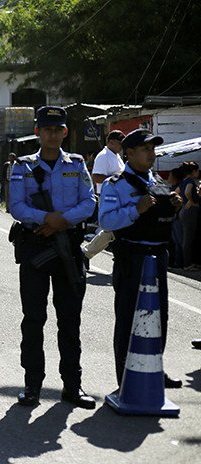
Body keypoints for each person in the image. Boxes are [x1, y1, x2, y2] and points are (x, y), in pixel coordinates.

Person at [9, 106, 97, 409]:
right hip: (35, 247)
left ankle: (73, 385)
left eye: (56, 129)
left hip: (68, 248)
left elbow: (89, 202)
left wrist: (63, 221)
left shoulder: (76, 164)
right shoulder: (21, 166)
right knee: (34, 319)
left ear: (64, 133)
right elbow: (16, 207)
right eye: (46, 128)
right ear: (37, 132)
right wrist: (47, 217)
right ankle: (32, 384)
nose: (51, 134)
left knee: (70, 321)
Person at [99, 128, 184, 389]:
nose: (152, 154)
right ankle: (124, 376)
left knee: (159, 316)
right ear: (130, 154)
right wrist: (136, 209)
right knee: (128, 317)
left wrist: (175, 204)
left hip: (157, 256)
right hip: (132, 258)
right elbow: (106, 220)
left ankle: (154, 368)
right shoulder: (117, 184)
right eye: (146, 149)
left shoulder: (156, 180)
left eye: (153, 149)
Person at [82, 130, 126, 261]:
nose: (121, 146)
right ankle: (86, 253)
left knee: (121, 228)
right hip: (108, 197)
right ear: (111, 142)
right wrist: (116, 178)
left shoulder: (116, 156)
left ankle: (121, 255)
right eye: (119, 143)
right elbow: (96, 177)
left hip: (119, 197)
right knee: (110, 230)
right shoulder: (103, 156)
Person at [177, 161, 200, 271]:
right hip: (190, 211)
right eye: (197, 170)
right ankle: (187, 264)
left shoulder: (182, 182)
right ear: (193, 171)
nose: (198, 172)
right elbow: (187, 192)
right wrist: (190, 201)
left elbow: (176, 192)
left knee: (187, 237)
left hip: (184, 210)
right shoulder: (190, 180)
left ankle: (188, 262)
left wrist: (182, 203)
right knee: (188, 238)